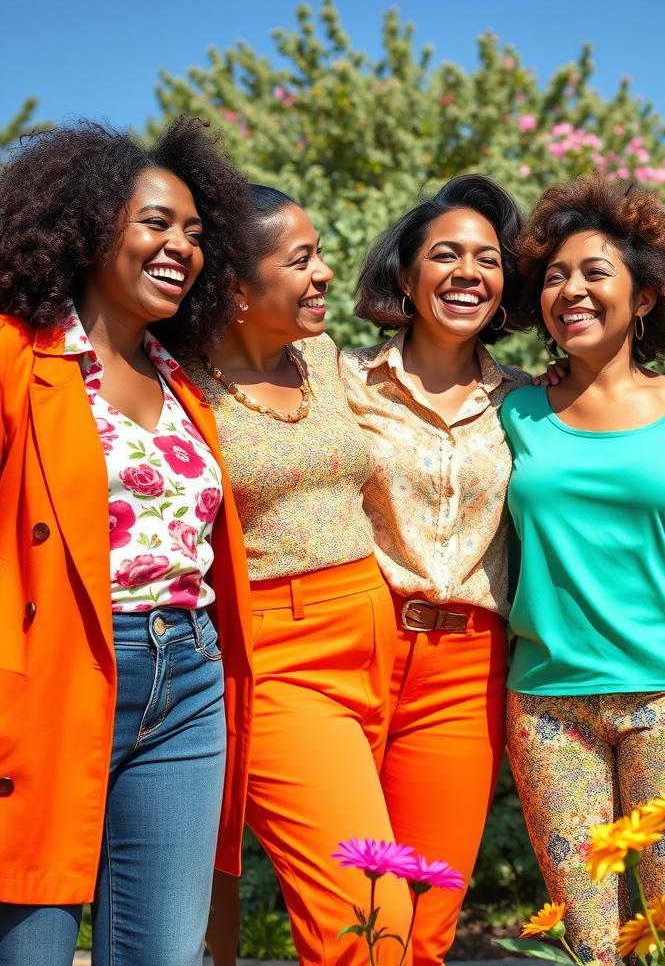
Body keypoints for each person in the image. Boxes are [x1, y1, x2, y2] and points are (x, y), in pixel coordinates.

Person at [0, 119, 254, 966]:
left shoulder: (184, 382)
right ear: (87, 226)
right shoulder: (15, 355)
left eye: (193, 232)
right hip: (51, 675)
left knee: (163, 955)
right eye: (156, 223)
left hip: (186, 681)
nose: (180, 245)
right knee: (28, 945)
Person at [502, 175, 665, 966]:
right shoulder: (514, 410)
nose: (572, 290)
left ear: (644, 297)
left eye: (595, 273)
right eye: (556, 276)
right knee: (590, 942)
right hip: (548, 708)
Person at [197, 186, 411, 965]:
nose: (324, 272)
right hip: (277, 658)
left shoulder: (321, 357)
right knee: (370, 907)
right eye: (300, 259)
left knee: (370, 904)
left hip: (373, 633)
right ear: (233, 286)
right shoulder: (178, 384)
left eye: (319, 252)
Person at [341, 174, 529, 966]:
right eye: (445, 254)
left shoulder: (528, 403)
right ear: (407, 275)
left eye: (487, 260)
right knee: (350, 907)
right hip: (355, 646)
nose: (467, 272)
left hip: (466, 669)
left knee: (427, 915)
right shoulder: (338, 381)